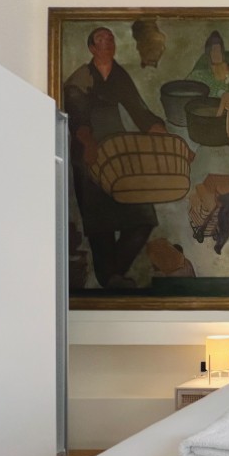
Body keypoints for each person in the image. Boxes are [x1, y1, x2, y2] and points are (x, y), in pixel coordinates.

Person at [64, 27, 167, 288]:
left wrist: (155, 127)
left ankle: (112, 276)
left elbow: (137, 107)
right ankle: (111, 279)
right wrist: (88, 142)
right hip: (88, 152)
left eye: (110, 38)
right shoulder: (81, 77)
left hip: (118, 152)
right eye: (101, 39)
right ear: (91, 48)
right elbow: (77, 116)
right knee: (101, 223)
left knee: (142, 217)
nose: (107, 42)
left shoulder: (119, 75)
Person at [186, 30, 229, 99]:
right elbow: (186, 88)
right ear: (209, 54)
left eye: (218, 50)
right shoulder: (199, 75)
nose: (216, 54)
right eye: (213, 51)